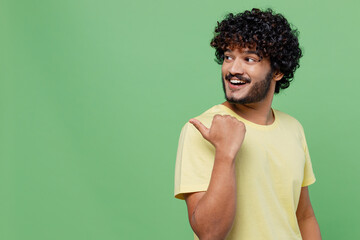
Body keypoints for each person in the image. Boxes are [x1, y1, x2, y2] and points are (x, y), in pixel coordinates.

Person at [174, 8, 321, 240]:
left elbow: (304, 216)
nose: (233, 69)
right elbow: (209, 233)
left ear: (278, 71)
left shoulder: (293, 128)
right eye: (228, 56)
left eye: (249, 59)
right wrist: (225, 152)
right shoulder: (203, 129)